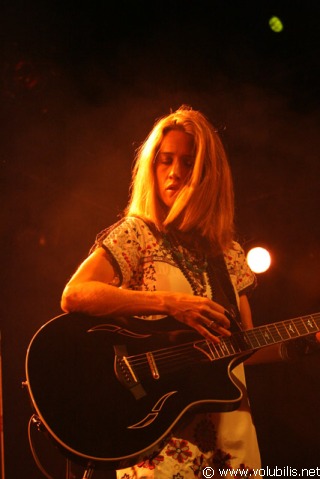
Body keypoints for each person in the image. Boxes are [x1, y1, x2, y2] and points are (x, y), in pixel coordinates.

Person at [61, 105, 320, 479]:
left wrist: (301, 344)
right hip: (161, 434)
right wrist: (168, 302)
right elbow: (75, 294)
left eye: (187, 163)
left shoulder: (229, 253)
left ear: (208, 174)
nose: (175, 173)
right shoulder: (138, 233)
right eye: (165, 161)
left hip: (231, 437)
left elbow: (241, 349)